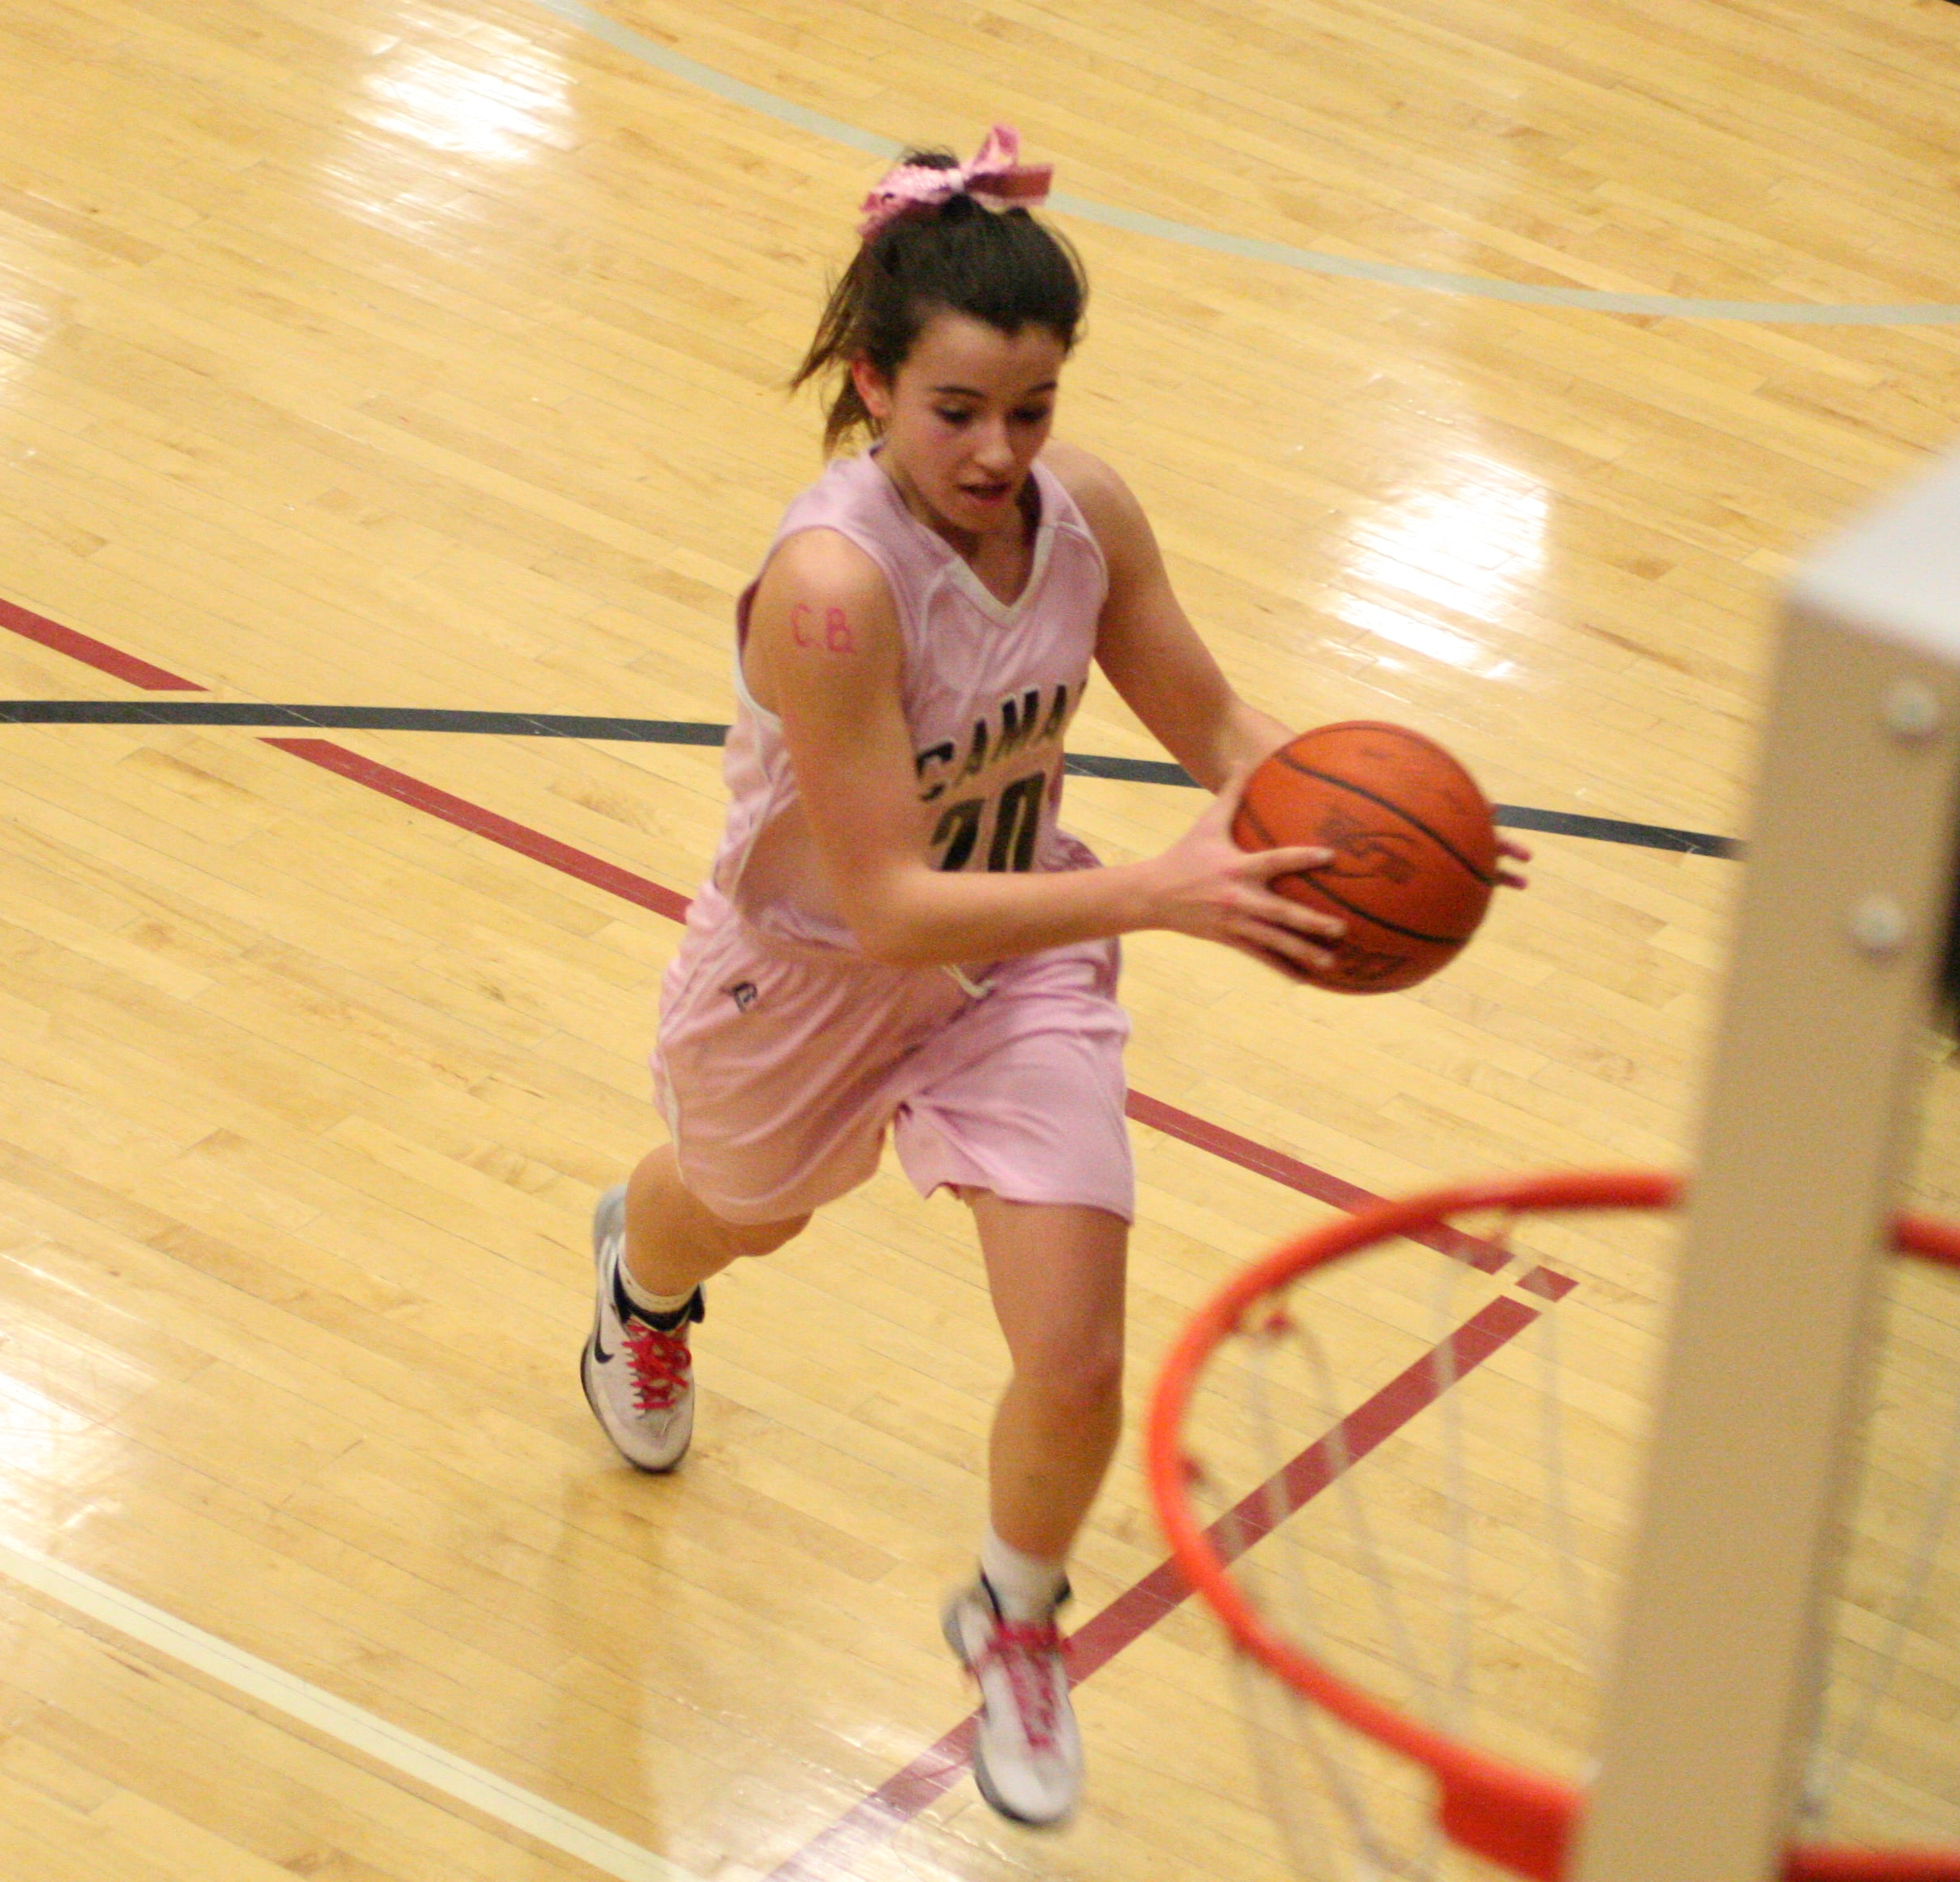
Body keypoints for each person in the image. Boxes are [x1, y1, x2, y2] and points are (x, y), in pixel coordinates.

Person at [577, 126, 1525, 1827]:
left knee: (1076, 1351)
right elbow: (879, 902)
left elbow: (1223, 731)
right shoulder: (829, 593)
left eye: (1034, 410)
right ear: (872, 384)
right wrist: (1166, 890)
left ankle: (1014, 1615)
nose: (1002, 450)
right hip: (810, 978)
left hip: (1017, 958)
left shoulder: (1084, 518)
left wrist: (1392, 825)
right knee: (738, 1215)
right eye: (958, 412)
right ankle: (643, 1296)